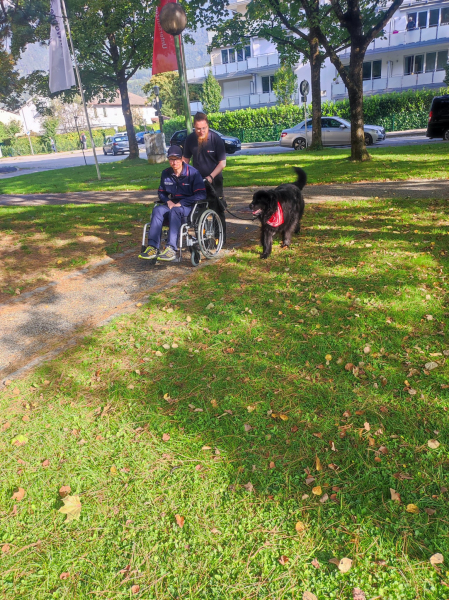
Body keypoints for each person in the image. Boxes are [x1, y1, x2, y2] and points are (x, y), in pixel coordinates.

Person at [139, 145, 206, 262]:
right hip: (172, 204)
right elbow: (161, 192)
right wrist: (168, 201)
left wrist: (182, 202)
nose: (174, 162)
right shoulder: (166, 173)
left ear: (182, 159)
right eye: (171, 159)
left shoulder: (193, 173)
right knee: (157, 210)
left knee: (175, 211)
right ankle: (153, 247)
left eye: (176, 159)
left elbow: (201, 194)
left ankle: (171, 248)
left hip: (188, 206)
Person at [183, 112, 227, 241]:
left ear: (207, 125)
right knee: (198, 209)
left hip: (214, 180)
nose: (201, 131)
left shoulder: (216, 139)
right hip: (197, 181)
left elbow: (222, 163)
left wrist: (211, 177)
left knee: (217, 208)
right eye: (198, 129)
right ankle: (201, 237)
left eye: (204, 128)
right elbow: (185, 160)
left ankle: (220, 237)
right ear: (194, 127)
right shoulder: (190, 139)